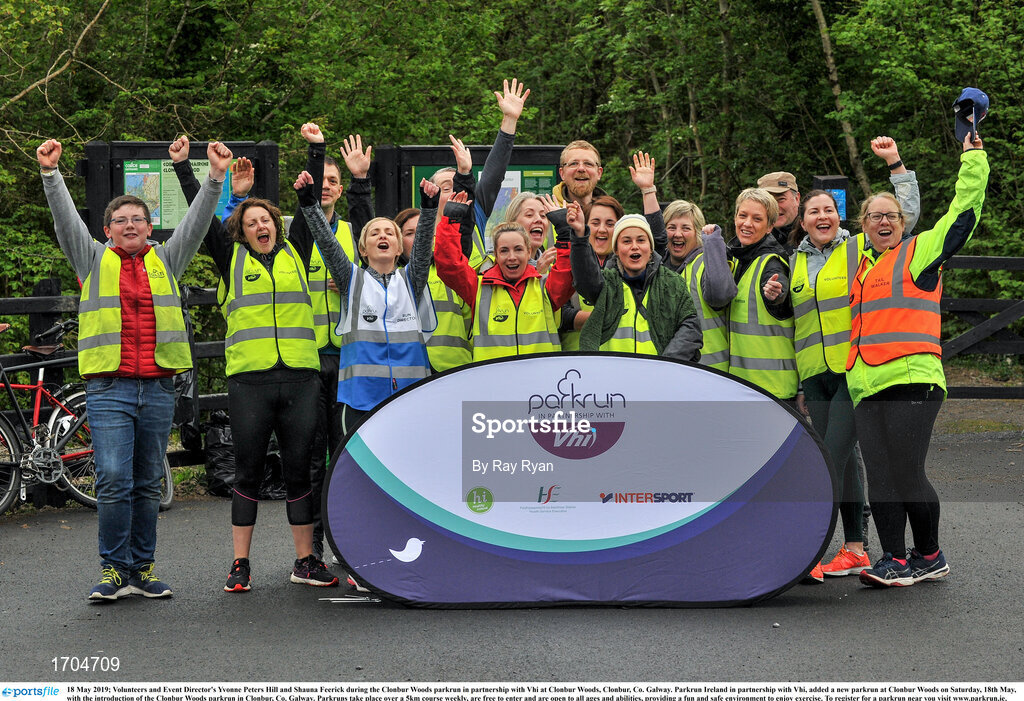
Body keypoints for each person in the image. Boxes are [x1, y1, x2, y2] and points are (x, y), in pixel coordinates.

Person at [38, 137, 229, 601]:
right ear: (106, 230)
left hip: (160, 386)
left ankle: (141, 569)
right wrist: (51, 175)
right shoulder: (92, 259)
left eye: (137, 220)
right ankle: (112, 569)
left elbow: (196, 225)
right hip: (110, 388)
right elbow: (66, 224)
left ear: (149, 229)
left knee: (146, 482)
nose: (129, 225)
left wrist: (216, 177)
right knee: (113, 477)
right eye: (120, 221)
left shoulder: (167, 259)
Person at [180, 124, 337, 592]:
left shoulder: (298, 249)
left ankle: (305, 561)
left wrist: (316, 150)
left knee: (299, 470)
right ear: (241, 232)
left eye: (266, 220)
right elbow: (201, 220)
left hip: (300, 379)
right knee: (247, 471)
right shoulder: (230, 258)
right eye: (251, 223)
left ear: (277, 225)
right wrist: (191, 171)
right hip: (250, 382)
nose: (261, 226)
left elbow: (309, 203)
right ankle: (240, 564)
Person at [852, 132, 988, 588]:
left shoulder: (919, 251)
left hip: (914, 379)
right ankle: (893, 558)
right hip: (865, 385)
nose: (883, 221)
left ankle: (929, 555)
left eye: (891, 215)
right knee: (881, 475)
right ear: (864, 225)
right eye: (874, 216)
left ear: (903, 221)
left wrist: (973, 156)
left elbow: (964, 211)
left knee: (907, 471)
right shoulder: (861, 267)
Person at [790, 137, 921, 579]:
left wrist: (896, 166)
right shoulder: (793, 262)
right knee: (838, 461)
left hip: (851, 369)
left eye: (828, 209)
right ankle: (855, 549)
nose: (822, 216)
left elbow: (903, 220)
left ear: (839, 216)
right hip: (814, 376)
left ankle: (806, 548)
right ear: (803, 221)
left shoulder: (858, 247)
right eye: (813, 211)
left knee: (830, 455)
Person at [434, 195, 574, 360]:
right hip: (493, 382)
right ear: (496, 255)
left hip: (540, 381)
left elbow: (569, 273)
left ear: (529, 252)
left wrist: (565, 232)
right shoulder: (479, 288)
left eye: (518, 249)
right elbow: (449, 265)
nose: (512, 257)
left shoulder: (544, 287)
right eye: (504, 251)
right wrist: (450, 222)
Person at [702, 189, 798, 401]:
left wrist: (775, 294)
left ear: (769, 227)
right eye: (742, 215)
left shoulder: (772, 262)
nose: (747, 223)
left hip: (773, 391)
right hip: (742, 388)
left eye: (757, 219)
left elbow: (777, 287)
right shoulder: (735, 259)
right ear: (735, 217)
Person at [571, 211, 701, 360]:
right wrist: (579, 236)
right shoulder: (606, 283)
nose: (634, 246)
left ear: (651, 248)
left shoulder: (672, 283)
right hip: (611, 377)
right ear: (617, 251)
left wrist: (668, 364)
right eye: (626, 241)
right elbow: (584, 280)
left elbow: (691, 327)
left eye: (641, 240)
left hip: (657, 378)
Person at [662, 200, 736, 372]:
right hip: (669, 371)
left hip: (709, 372)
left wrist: (713, 244)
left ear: (697, 233)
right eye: (671, 227)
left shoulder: (706, 264)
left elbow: (721, 295)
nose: (677, 234)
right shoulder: (657, 269)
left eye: (686, 228)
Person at [756, 171, 801, 254]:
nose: (775, 207)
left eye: (781, 199)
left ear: (797, 199)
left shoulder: (814, 237)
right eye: (768, 201)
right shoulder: (753, 238)